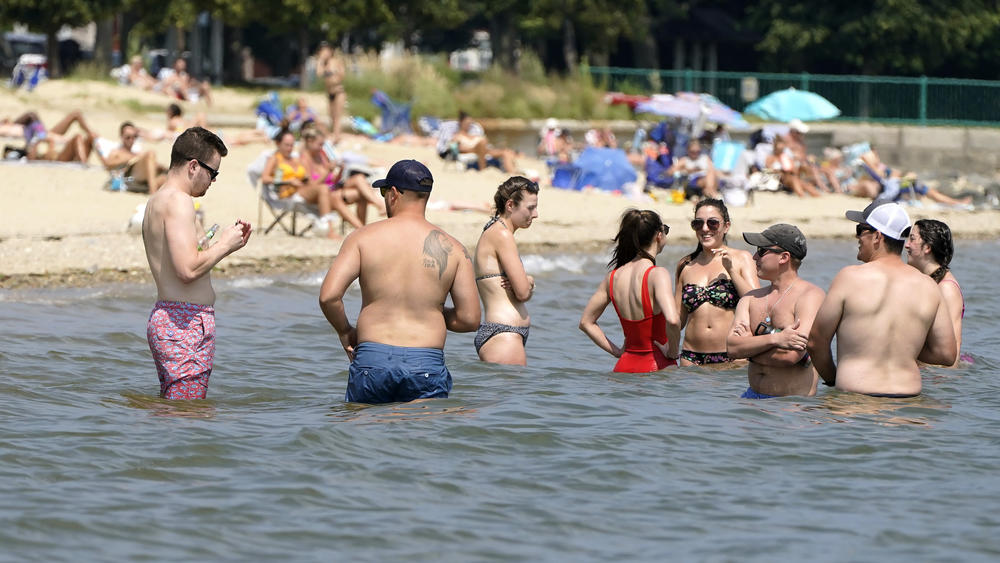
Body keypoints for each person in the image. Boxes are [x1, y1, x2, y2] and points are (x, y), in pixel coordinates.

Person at [318, 159, 481, 403]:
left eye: (384, 191)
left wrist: (345, 331)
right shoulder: (454, 248)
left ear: (393, 194)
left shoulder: (362, 238)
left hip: (372, 360)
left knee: (363, 436)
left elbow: (329, 297)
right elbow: (470, 319)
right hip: (426, 363)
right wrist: (429, 307)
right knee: (422, 438)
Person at [141, 127, 252, 399]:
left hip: (171, 317)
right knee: (187, 416)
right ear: (193, 166)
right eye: (213, 173)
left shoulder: (157, 200)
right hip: (183, 322)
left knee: (175, 412)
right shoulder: (179, 202)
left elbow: (182, 260)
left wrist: (220, 245)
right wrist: (225, 245)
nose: (213, 181)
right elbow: (188, 270)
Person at [807, 202, 957, 397]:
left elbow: (815, 341)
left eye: (861, 230)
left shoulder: (849, 278)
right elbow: (946, 354)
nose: (857, 237)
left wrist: (832, 380)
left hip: (856, 403)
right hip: (908, 405)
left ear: (878, 236)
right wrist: (905, 347)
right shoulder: (929, 286)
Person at [726, 224, 825, 398]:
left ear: (784, 257)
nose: (755, 257)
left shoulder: (810, 296)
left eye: (762, 251)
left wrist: (749, 346)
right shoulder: (749, 299)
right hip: (750, 400)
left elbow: (790, 356)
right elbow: (732, 348)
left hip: (791, 409)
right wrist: (776, 339)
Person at [580, 209, 681, 372]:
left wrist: (617, 352)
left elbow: (586, 322)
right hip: (656, 365)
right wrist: (672, 352)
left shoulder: (612, 277)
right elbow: (673, 320)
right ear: (659, 235)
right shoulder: (657, 274)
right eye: (665, 230)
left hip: (624, 366)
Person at [675, 198, 759, 366]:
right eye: (698, 224)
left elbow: (756, 305)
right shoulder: (685, 264)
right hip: (690, 358)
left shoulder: (742, 258)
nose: (705, 229)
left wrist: (732, 272)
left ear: (726, 226)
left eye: (712, 223)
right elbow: (677, 320)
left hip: (732, 357)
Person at [474, 176, 539, 365]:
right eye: (530, 207)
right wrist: (530, 281)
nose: (535, 214)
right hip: (504, 334)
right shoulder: (502, 235)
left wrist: (526, 281)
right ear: (510, 205)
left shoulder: (493, 231)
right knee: (513, 393)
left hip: (503, 333)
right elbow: (522, 292)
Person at [905, 219, 967, 367]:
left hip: (937, 378)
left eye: (912, 239)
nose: (906, 245)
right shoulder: (925, 281)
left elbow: (953, 354)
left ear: (927, 247)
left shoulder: (947, 289)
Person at [300, 127, 385, 230]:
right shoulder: (304, 160)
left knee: (358, 178)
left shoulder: (321, 156)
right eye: (320, 144)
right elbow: (311, 186)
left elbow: (332, 179)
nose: (322, 148)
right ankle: (361, 229)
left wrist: (340, 170)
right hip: (321, 196)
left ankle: (379, 206)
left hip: (332, 189)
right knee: (350, 195)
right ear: (309, 142)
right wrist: (328, 171)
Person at [261, 129, 339, 238]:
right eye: (287, 145)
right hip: (288, 194)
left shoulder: (295, 159)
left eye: (292, 145)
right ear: (278, 144)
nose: (290, 148)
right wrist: (288, 181)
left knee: (335, 196)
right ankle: (329, 230)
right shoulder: (275, 159)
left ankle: (359, 229)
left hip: (302, 189)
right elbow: (265, 178)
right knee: (323, 189)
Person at [100, 121, 167, 193]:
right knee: (150, 153)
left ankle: (152, 188)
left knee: (165, 179)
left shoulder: (136, 153)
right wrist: (129, 158)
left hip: (141, 180)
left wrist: (158, 166)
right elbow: (107, 165)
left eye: (134, 137)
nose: (131, 140)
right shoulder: (116, 152)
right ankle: (153, 192)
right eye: (128, 137)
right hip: (129, 177)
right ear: (121, 136)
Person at [453, 111, 517, 173]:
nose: (468, 125)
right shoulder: (457, 136)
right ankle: (482, 169)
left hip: (486, 151)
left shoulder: (473, 135)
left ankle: (512, 172)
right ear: (461, 123)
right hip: (475, 151)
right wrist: (478, 148)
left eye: (470, 123)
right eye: (466, 123)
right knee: (482, 142)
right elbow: (459, 149)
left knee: (506, 152)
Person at [316, 42, 346, 144]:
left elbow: (341, 75)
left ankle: (337, 137)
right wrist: (320, 60)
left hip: (338, 91)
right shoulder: (323, 64)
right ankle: (334, 135)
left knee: (338, 116)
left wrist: (332, 74)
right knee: (331, 116)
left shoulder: (336, 61)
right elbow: (319, 74)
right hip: (329, 92)